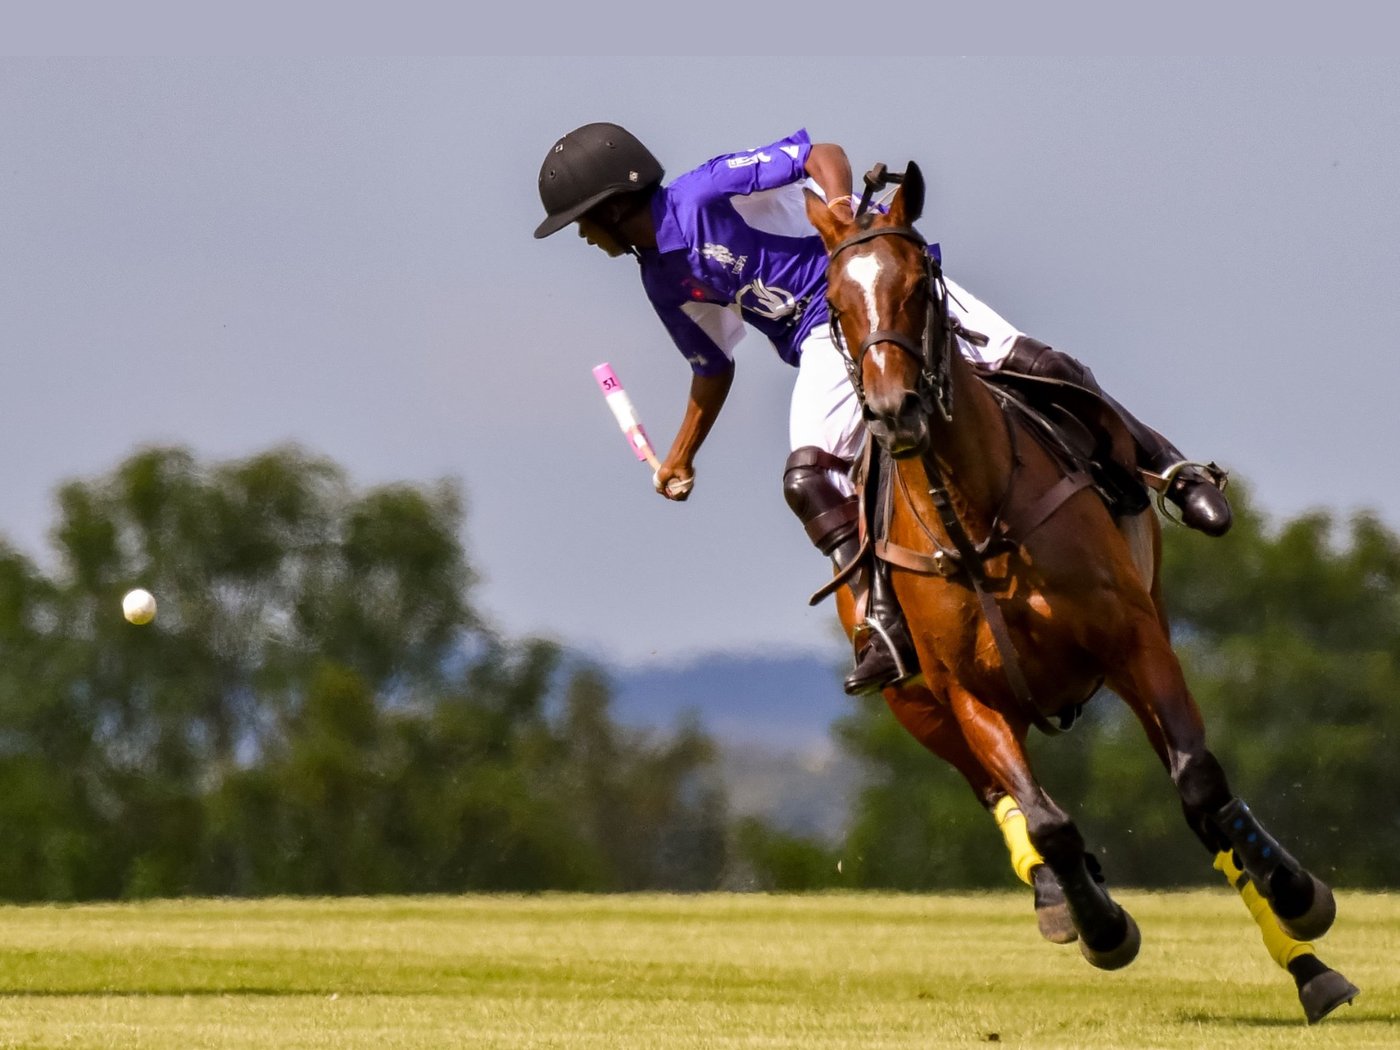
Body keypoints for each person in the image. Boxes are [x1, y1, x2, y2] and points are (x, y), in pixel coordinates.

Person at [533, 122, 1231, 695]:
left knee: (1040, 366)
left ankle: (1172, 471)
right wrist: (682, 457)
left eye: (583, 223)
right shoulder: (663, 280)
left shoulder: (705, 190)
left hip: (880, 287)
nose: (585, 238)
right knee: (806, 478)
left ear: (613, 206)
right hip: (823, 340)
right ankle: (883, 622)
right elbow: (711, 367)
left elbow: (819, 152)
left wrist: (838, 202)